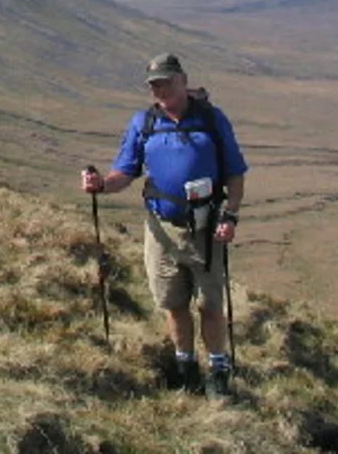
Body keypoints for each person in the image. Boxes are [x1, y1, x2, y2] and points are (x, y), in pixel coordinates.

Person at [81, 52, 247, 398]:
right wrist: (101, 185)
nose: (161, 90)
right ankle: (185, 366)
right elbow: (125, 172)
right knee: (173, 302)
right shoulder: (144, 123)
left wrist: (230, 215)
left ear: (183, 80)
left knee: (210, 304)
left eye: (167, 82)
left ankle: (218, 369)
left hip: (206, 227)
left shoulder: (212, 121)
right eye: (155, 85)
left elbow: (234, 171)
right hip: (162, 228)